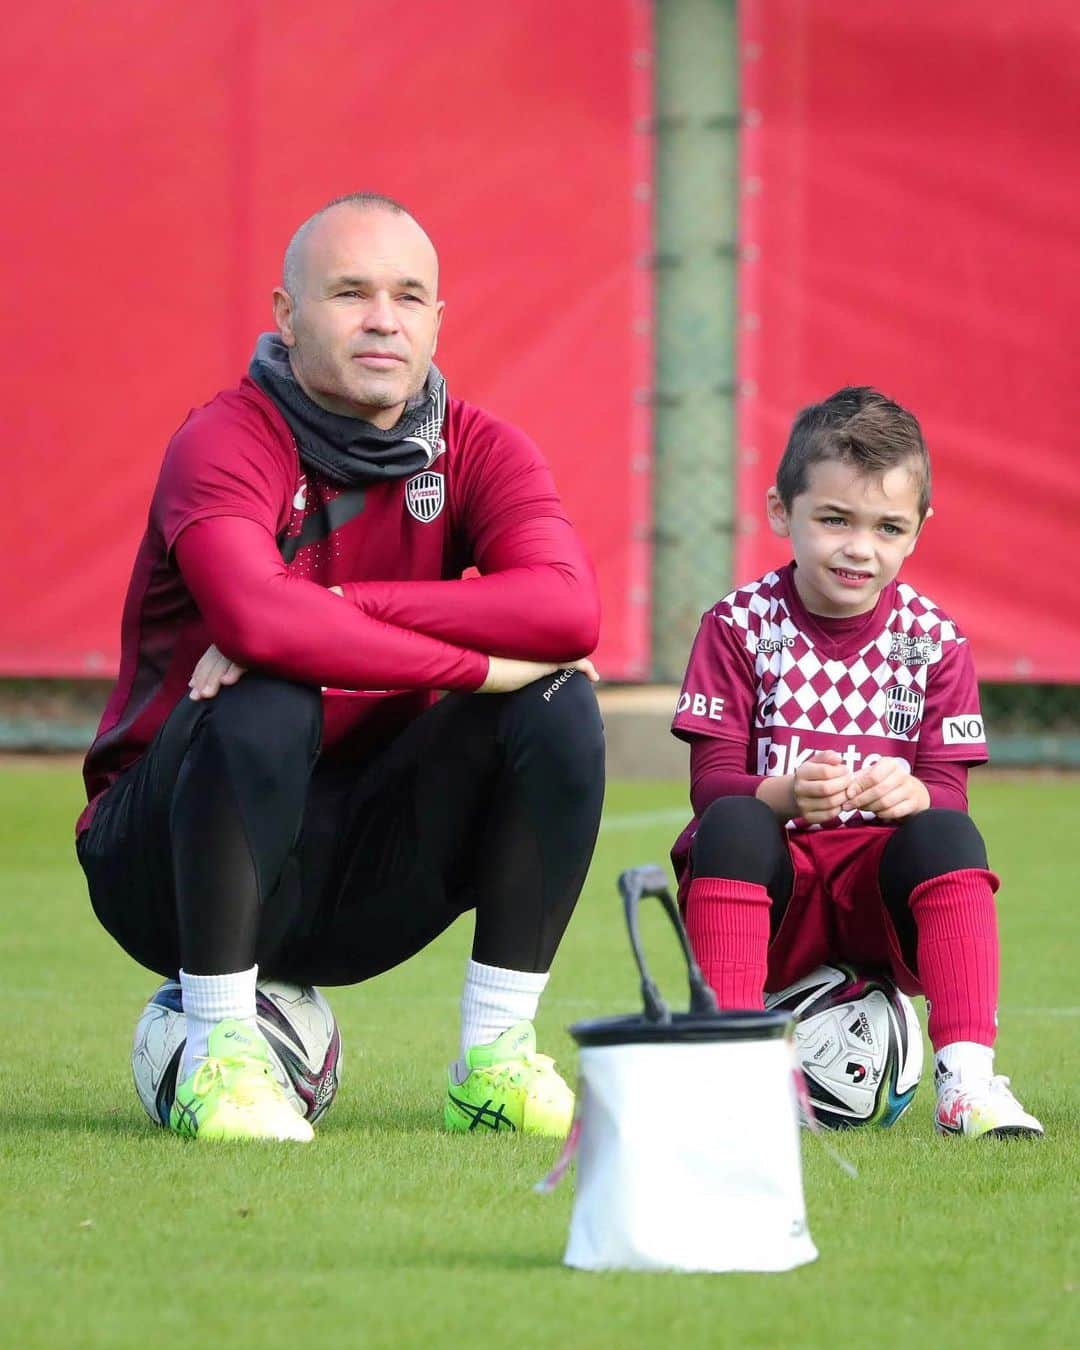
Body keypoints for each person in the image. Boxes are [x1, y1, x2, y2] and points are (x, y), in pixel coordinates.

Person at [76, 192, 605, 1143]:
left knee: (560, 701)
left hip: (355, 869)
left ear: (438, 321)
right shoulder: (225, 440)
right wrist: (481, 665)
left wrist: (333, 606)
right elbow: (254, 620)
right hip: (160, 862)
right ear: (285, 316)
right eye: (349, 292)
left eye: (408, 296)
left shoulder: (481, 448)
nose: (382, 318)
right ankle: (219, 1056)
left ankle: (494, 1062)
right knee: (268, 687)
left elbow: (569, 612)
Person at [670, 387, 1043, 1139]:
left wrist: (911, 793)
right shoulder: (738, 626)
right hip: (777, 901)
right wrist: (780, 793)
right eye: (835, 519)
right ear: (783, 512)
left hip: (876, 900)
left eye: (887, 527)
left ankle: (967, 1080)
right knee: (735, 821)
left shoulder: (935, 639)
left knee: (946, 832)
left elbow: (949, 789)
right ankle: (728, 1069)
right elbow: (711, 785)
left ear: (917, 531)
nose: (859, 547)